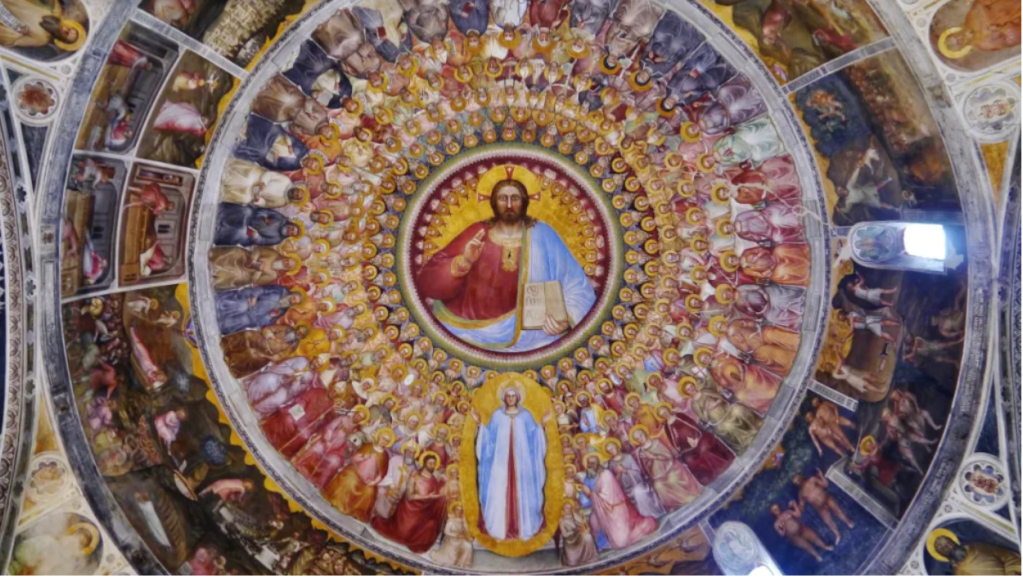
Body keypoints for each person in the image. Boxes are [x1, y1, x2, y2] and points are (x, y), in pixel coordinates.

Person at [416, 173, 596, 352]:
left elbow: (576, 285)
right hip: (468, 332)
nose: (509, 205)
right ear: (494, 202)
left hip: (533, 337)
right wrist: (463, 262)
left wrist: (565, 319)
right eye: (503, 198)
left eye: (515, 198)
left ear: (525, 202)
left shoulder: (543, 234)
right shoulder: (478, 232)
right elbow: (428, 280)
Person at [472, 382, 551, 541]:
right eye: (508, 396)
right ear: (504, 398)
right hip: (500, 464)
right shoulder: (497, 416)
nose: (510, 399)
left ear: (518, 397)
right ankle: (498, 528)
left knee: (524, 491)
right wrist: (480, 424)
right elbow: (489, 439)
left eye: (513, 396)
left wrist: (541, 424)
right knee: (499, 490)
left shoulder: (526, 415)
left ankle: (525, 528)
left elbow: (534, 437)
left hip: (522, 464)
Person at [371, 452, 447, 553]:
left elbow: (434, 495)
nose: (432, 466)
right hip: (408, 509)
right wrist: (427, 496)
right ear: (424, 463)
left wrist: (442, 497)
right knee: (403, 533)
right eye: (430, 463)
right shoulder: (415, 475)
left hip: (423, 509)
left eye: (434, 464)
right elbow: (409, 496)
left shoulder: (433, 479)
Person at [584, 454, 658, 549]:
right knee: (593, 520)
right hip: (607, 511)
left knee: (621, 543)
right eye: (589, 463)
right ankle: (599, 543)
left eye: (592, 463)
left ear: (598, 463)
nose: (590, 465)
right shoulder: (596, 477)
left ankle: (646, 525)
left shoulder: (606, 474)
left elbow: (607, 497)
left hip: (617, 510)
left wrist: (590, 493)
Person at [325, 427, 393, 522]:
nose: (384, 441)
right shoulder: (369, 446)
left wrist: (373, 482)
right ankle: (338, 503)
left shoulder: (385, 456)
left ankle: (355, 512)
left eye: (386, 440)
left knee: (369, 492)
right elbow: (353, 458)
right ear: (379, 437)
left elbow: (382, 474)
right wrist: (362, 458)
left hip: (368, 481)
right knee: (349, 480)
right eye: (383, 438)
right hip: (355, 472)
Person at [793, 470, 854, 544]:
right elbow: (802, 507)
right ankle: (838, 534)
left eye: (798, 479)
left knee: (838, 511)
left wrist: (821, 476)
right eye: (796, 482)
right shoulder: (801, 494)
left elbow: (825, 484)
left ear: (801, 476)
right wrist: (794, 505)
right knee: (828, 521)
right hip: (819, 507)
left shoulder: (812, 480)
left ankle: (848, 523)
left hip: (826, 498)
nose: (798, 482)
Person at [928, 529, 1021, 575]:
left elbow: (1008, 556)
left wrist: (1012, 573)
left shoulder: (978, 547)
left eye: (948, 542)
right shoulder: (959, 574)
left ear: (953, 541)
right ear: (942, 554)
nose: (948, 546)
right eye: (942, 547)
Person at [428, 502, 474, 567]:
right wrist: (456, 535)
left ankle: (462, 562)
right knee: (451, 561)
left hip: (461, 540)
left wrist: (467, 534)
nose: (459, 512)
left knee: (468, 546)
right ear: (454, 510)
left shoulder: (463, 520)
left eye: (461, 510)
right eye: (457, 510)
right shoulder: (451, 520)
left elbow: (466, 530)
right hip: (451, 541)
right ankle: (452, 560)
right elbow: (446, 531)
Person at [558, 501, 599, 566]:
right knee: (572, 562)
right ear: (563, 509)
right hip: (570, 541)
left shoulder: (575, 515)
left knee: (588, 537)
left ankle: (589, 557)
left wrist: (583, 527)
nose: (569, 509)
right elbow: (564, 534)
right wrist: (574, 531)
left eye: (570, 508)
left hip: (579, 535)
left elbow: (582, 524)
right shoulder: (562, 520)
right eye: (567, 508)